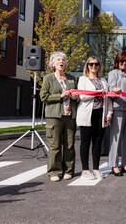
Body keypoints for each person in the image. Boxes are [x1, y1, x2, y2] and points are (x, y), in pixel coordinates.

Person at [40, 52, 79, 182]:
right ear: (53, 64)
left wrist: (75, 98)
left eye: (63, 60)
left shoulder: (72, 79)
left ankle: (68, 170)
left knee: (69, 145)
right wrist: (60, 96)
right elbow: (43, 97)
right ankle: (54, 172)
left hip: (69, 116)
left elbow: (78, 98)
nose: (61, 61)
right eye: (58, 60)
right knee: (55, 145)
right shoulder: (48, 78)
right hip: (54, 117)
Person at [76, 57, 113, 180]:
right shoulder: (83, 79)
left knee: (97, 142)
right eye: (91, 64)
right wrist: (98, 92)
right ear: (87, 66)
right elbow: (82, 96)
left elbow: (107, 99)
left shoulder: (103, 80)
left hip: (101, 113)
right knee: (85, 142)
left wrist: (109, 114)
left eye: (96, 64)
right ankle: (85, 170)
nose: (94, 66)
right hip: (87, 114)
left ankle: (96, 168)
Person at [108, 51, 126, 176]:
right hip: (118, 107)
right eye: (121, 61)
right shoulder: (113, 73)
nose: (124, 63)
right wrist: (114, 90)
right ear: (117, 62)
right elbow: (111, 88)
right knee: (116, 138)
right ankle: (114, 164)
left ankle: (125, 163)